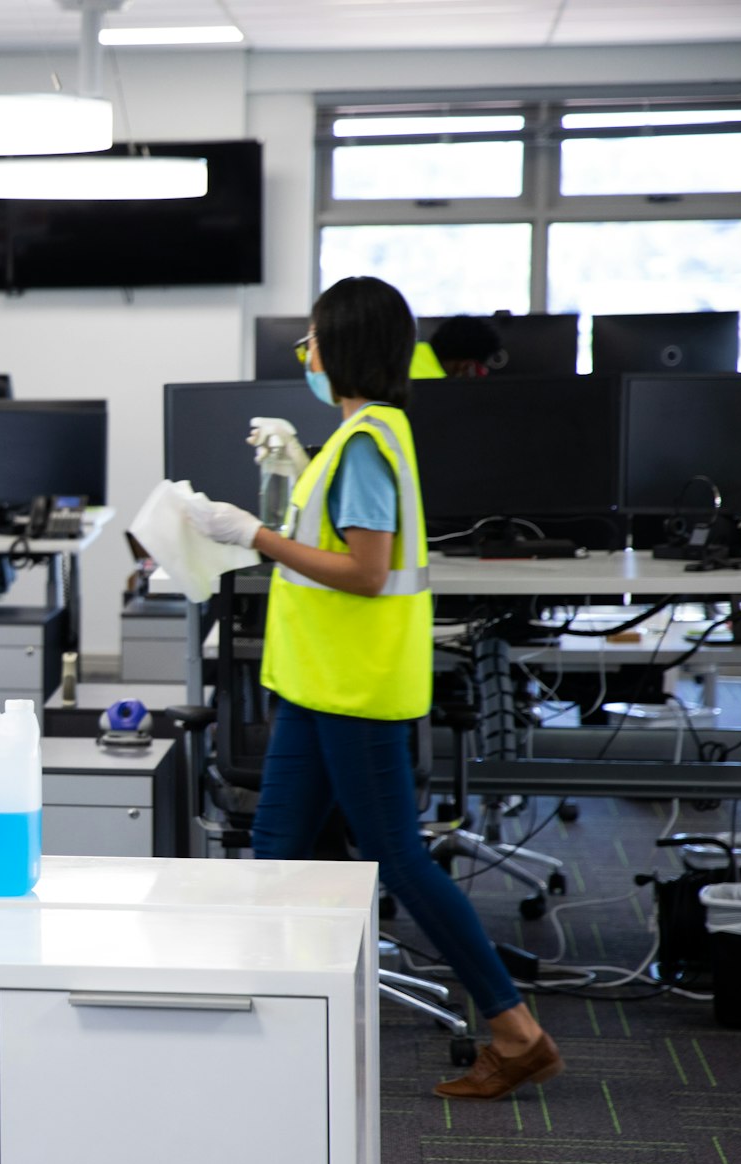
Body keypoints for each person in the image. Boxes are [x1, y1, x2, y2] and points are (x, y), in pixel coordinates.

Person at [189, 277, 562, 1100]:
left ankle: (514, 1027)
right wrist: (294, 471)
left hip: (352, 689)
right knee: (276, 852)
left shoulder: (364, 446)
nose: (307, 355)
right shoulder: (362, 437)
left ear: (343, 348)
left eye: (312, 340)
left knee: (398, 857)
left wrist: (251, 534)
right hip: (321, 685)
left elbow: (363, 571)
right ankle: (269, 1032)